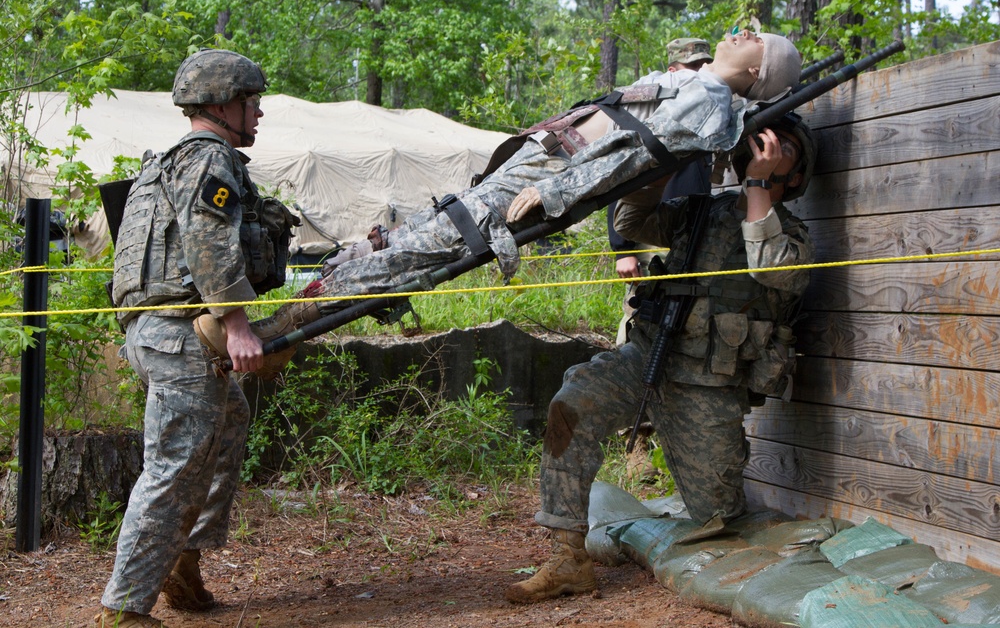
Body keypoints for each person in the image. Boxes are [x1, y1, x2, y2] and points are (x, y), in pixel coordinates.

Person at [194, 30, 802, 366]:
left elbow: (631, 157)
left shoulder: (711, 105)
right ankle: (275, 328)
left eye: (757, 40)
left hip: (547, 177)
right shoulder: (695, 84)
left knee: (408, 256)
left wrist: (552, 189)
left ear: (757, 74)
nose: (742, 31)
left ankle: (277, 332)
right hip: (539, 163)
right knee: (399, 239)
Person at [503, 112, 817, 604]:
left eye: (781, 148)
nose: (765, 149)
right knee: (572, 403)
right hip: (650, 355)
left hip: (706, 387)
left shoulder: (793, 237)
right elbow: (632, 222)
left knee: (717, 516)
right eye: (758, 143)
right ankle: (569, 559)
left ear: (796, 175)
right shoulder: (703, 212)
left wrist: (757, 181)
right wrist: (660, 161)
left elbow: (773, 268)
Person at [97, 49, 271, 628]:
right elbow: (206, 239)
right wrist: (238, 323)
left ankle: (181, 563)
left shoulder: (167, 161)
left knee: (228, 426)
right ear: (222, 104)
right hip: (182, 332)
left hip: (158, 331)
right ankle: (123, 610)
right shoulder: (208, 160)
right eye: (251, 103)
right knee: (172, 466)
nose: (259, 113)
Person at [607, 37, 714, 481]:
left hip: (693, 232)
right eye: (692, 65)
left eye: (703, 64)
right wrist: (623, 249)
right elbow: (616, 176)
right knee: (637, 333)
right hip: (650, 234)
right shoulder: (653, 105)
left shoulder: (712, 104)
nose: (699, 71)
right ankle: (635, 442)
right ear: (673, 69)